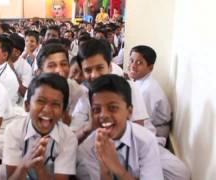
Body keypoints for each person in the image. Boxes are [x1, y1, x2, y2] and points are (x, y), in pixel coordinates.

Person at [76, 74, 164, 180]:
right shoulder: (87, 148)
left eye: (113, 108)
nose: (103, 115)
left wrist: (116, 167)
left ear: (129, 112)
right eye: (97, 109)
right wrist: (106, 170)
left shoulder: (146, 140)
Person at [127, 45, 190, 180]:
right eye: (131, 60)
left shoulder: (147, 90)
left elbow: (142, 123)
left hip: (156, 129)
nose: (133, 65)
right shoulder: (139, 82)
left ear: (150, 68)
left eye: (139, 63)